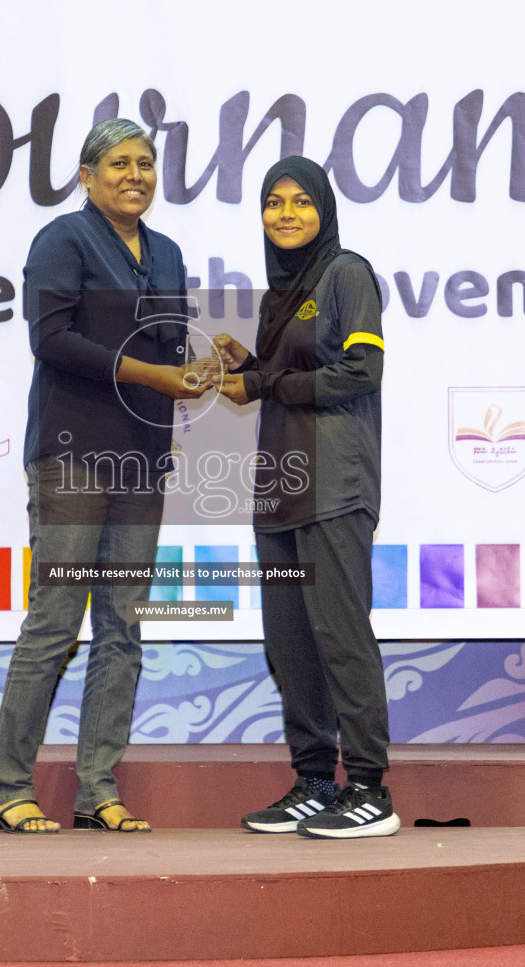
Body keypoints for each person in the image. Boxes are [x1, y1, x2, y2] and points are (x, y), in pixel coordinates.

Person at [0, 119, 208, 834]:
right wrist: (156, 373)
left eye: (145, 163)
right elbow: (52, 340)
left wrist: (215, 360)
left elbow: (169, 347)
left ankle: (97, 791)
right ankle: (7, 792)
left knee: (124, 627)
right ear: (86, 176)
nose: (135, 174)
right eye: (119, 163)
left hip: (142, 460)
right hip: (72, 456)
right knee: (54, 624)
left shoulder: (168, 253)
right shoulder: (62, 241)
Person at [211, 156, 397, 839]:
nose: (285, 214)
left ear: (324, 209)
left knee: (340, 636)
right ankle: (315, 781)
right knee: (290, 642)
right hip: (280, 487)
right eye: (272, 202)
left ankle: (370, 788)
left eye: (300, 202)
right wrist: (249, 367)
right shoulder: (276, 296)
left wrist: (265, 384)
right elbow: (285, 376)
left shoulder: (346, 273)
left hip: (335, 484)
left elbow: (360, 370)